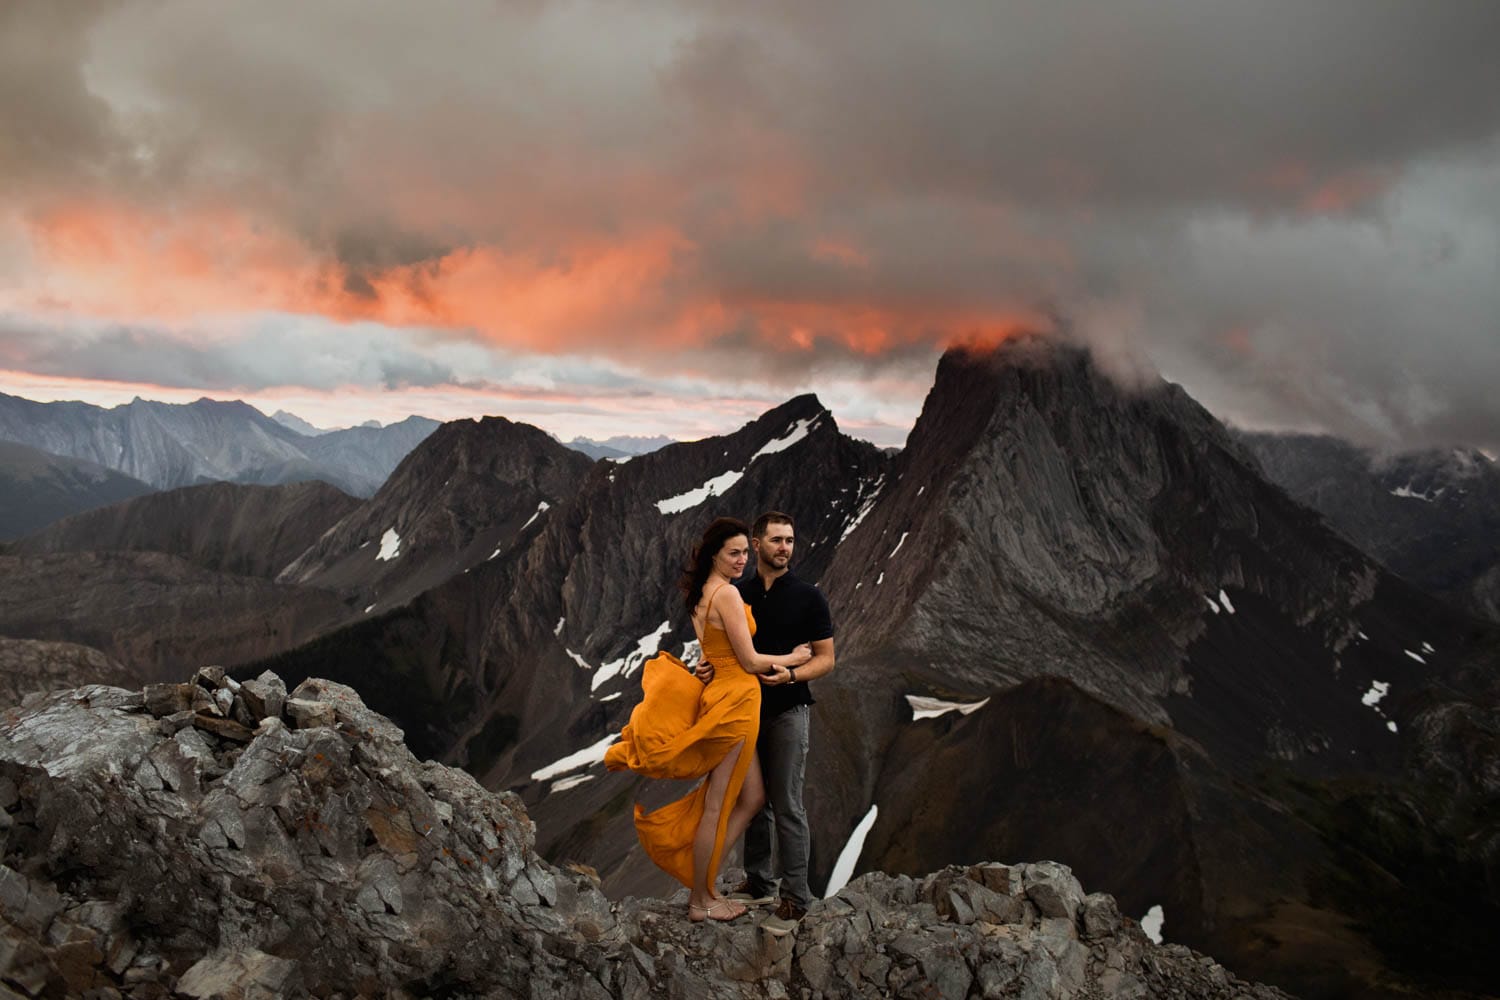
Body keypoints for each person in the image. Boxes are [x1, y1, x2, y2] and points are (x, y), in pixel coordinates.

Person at [605, 517, 812, 922]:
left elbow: (715, 652)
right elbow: (750, 661)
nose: (741, 560)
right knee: (717, 803)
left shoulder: (703, 593)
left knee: (751, 798)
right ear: (714, 553)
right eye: (733, 553)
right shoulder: (728, 596)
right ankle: (701, 899)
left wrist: (711, 666)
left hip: (724, 695)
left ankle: (706, 881)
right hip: (736, 702)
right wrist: (794, 659)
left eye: (743, 553)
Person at [698, 511, 835, 937]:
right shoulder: (738, 593)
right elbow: (728, 649)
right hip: (744, 709)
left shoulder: (809, 597)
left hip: (789, 710)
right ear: (756, 545)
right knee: (753, 800)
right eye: (776, 540)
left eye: (790, 540)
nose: (784, 548)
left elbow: (826, 658)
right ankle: (759, 883)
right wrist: (708, 668)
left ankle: (795, 900)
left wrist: (792, 674)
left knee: (787, 804)